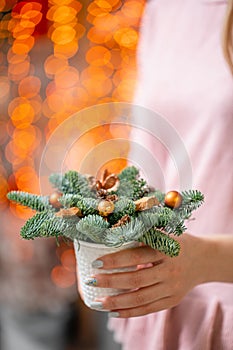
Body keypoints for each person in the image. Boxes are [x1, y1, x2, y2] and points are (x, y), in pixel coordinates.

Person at [81, 1, 233, 349]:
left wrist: (204, 260)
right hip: (163, 304)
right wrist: (101, 240)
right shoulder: (166, 8)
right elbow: (146, 152)